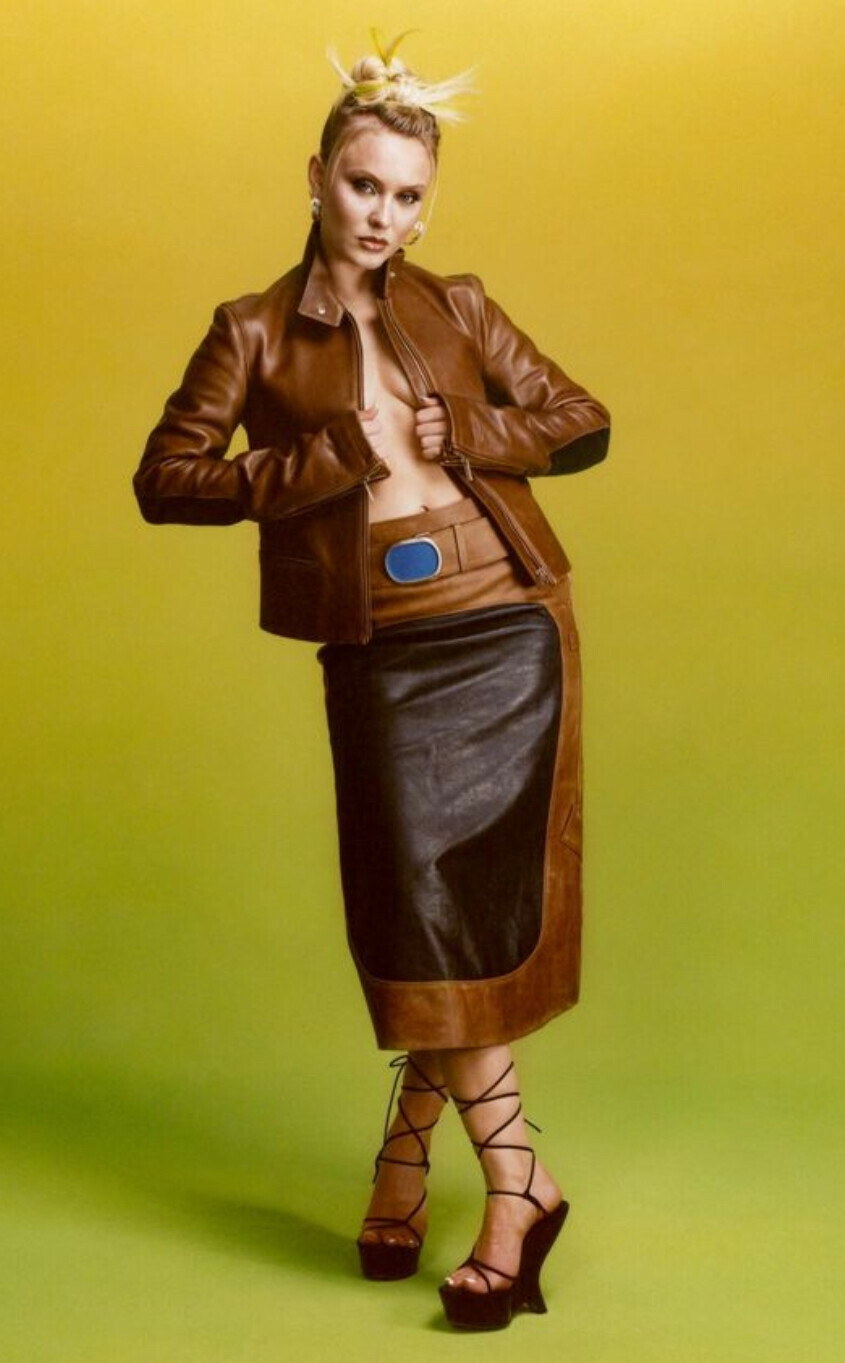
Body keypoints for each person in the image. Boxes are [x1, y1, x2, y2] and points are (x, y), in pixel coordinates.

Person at [132, 30, 610, 1332]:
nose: (383, 215)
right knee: (414, 914)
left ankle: (486, 1185)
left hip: (506, 625)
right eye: (363, 185)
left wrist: (479, 432)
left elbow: (580, 420)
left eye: (407, 195)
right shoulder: (250, 331)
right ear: (316, 178)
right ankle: (494, 1172)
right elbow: (166, 479)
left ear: (425, 206)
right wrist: (318, 462)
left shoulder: (458, 304)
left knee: (461, 918)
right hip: (382, 646)